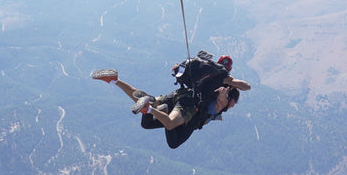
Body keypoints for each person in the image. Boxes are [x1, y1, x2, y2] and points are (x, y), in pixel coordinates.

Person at [92, 54, 250, 149]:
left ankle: (114, 80)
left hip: (179, 94)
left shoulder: (204, 71)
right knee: (171, 127)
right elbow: (246, 87)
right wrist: (230, 82)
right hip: (190, 106)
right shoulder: (224, 84)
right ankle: (151, 108)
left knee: (146, 124)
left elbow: (176, 69)